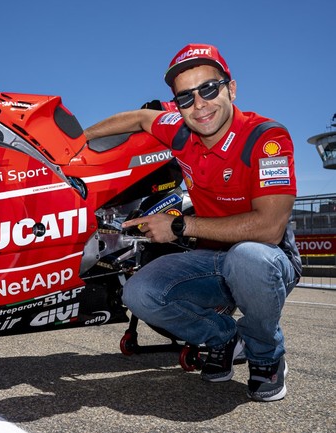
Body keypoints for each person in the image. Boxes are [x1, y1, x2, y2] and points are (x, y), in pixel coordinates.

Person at [84, 43, 301, 402]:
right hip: (211, 259)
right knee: (138, 293)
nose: (199, 104)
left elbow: (269, 228)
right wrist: (77, 141)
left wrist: (180, 226)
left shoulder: (267, 138)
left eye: (209, 89)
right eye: (185, 97)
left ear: (231, 89)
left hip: (267, 259)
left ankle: (267, 356)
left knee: (247, 257)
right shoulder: (181, 129)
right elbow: (140, 118)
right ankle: (223, 338)